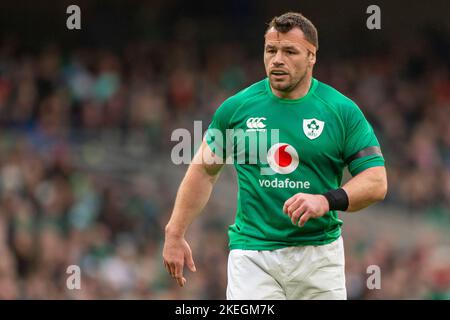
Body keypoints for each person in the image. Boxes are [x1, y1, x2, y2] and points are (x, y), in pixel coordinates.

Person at [163, 12, 387, 300]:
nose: (277, 59)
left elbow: (376, 181)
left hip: (319, 257)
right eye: (271, 50)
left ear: (311, 56)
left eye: (289, 51)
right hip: (253, 255)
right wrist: (175, 232)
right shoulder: (237, 109)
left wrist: (325, 200)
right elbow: (205, 171)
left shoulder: (341, 111)